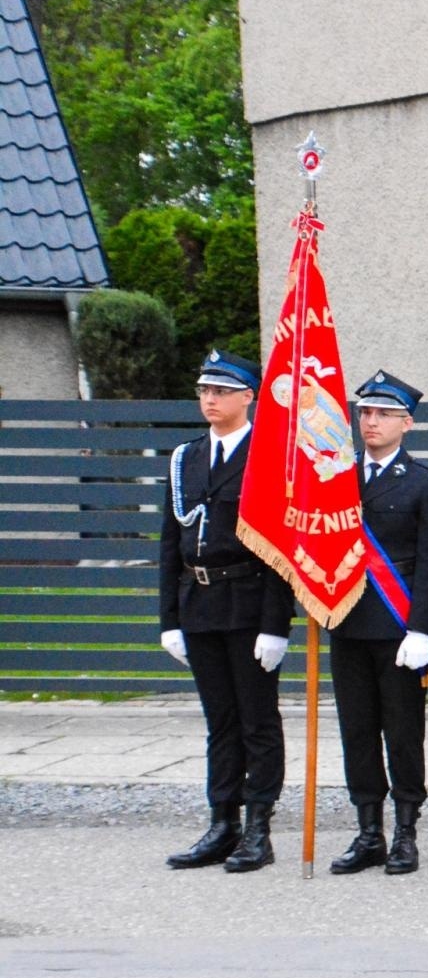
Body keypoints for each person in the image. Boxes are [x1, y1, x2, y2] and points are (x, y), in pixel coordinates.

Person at [160, 350, 294, 873]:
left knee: (257, 720)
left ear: (248, 398)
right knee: (220, 720)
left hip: (248, 604)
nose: (209, 400)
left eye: (220, 391)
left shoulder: (268, 457)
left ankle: (259, 825)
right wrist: (169, 619)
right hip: (199, 603)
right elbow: (171, 544)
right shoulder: (185, 458)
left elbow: (280, 549)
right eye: (204, 391)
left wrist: (275, 625)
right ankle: (223, 821)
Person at [326, 371, 428, 876]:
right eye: (365, 413)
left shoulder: (425, 482)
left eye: (382, 414)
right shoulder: (334, 478)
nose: (370, 422)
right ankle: (367, 831)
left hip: (398, 630)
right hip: (347, 624)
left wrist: (422, 629)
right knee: (356, 732)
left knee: (402, 733)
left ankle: (405, 832)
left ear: (407, 424)